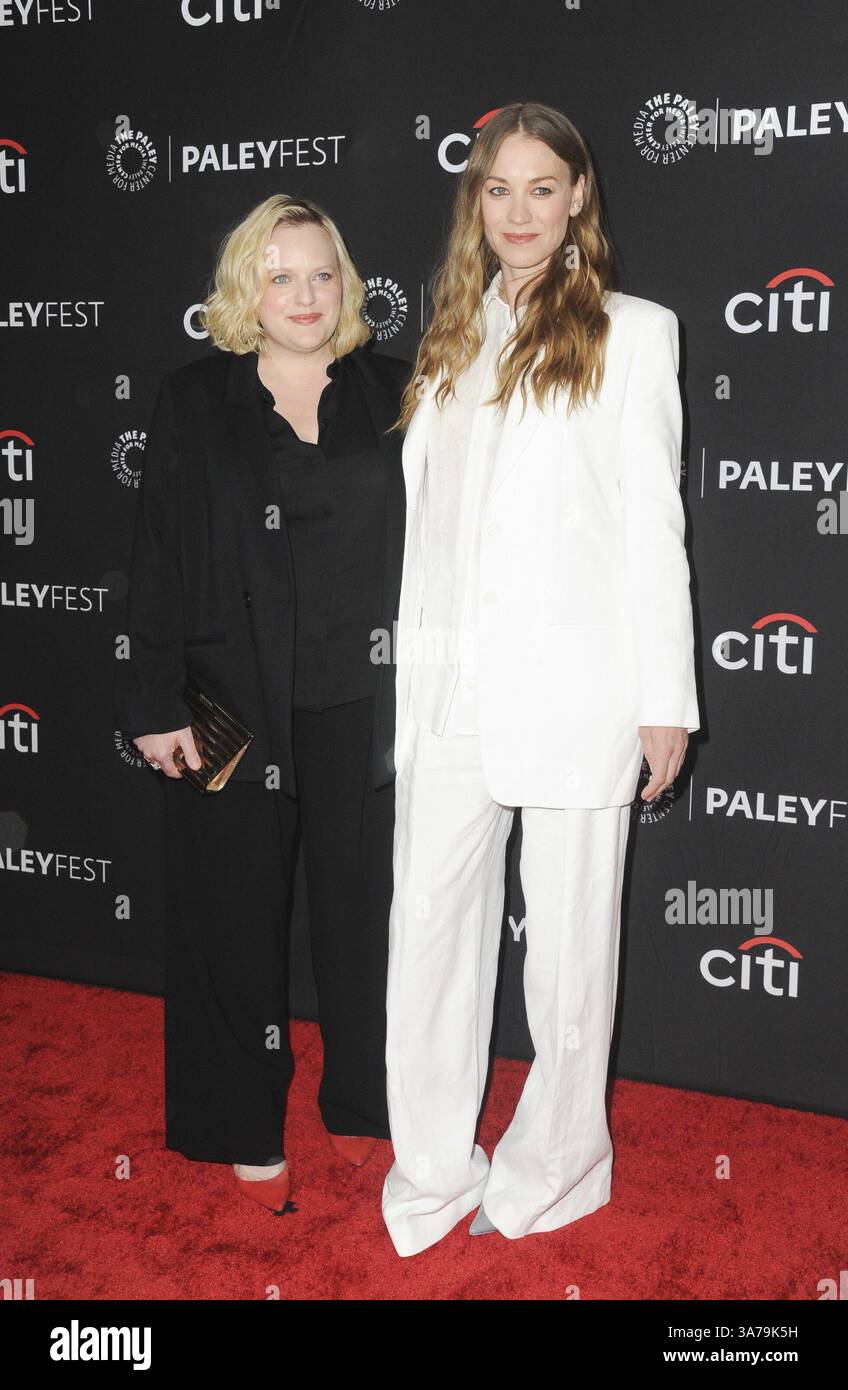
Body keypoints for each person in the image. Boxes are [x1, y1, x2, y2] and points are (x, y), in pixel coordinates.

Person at [380, 101, 700, 1256]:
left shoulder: (633, 332)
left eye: (539, 187)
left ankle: (558, 1165)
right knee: (426, 931)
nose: (516, 210)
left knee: (566, 953)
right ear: (477, 204)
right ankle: (427, 1167)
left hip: (577, 687)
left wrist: (666, 695)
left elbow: (653, 531)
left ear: (576, 202)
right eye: (496, 188)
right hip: (448, 688)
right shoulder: (448, 337)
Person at [114, 194, 411, 1214]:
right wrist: (154, 697)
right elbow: (157, 552)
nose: (303, 293)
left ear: (346, 285)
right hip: (230, 700)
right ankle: (236, 1117)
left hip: (365, 703)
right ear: (245, 289)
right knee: (230, 921)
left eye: (320, 272)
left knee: (364, 920)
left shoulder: (399, 389)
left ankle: (368, 1100)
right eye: (278, 274)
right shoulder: (196, 397)